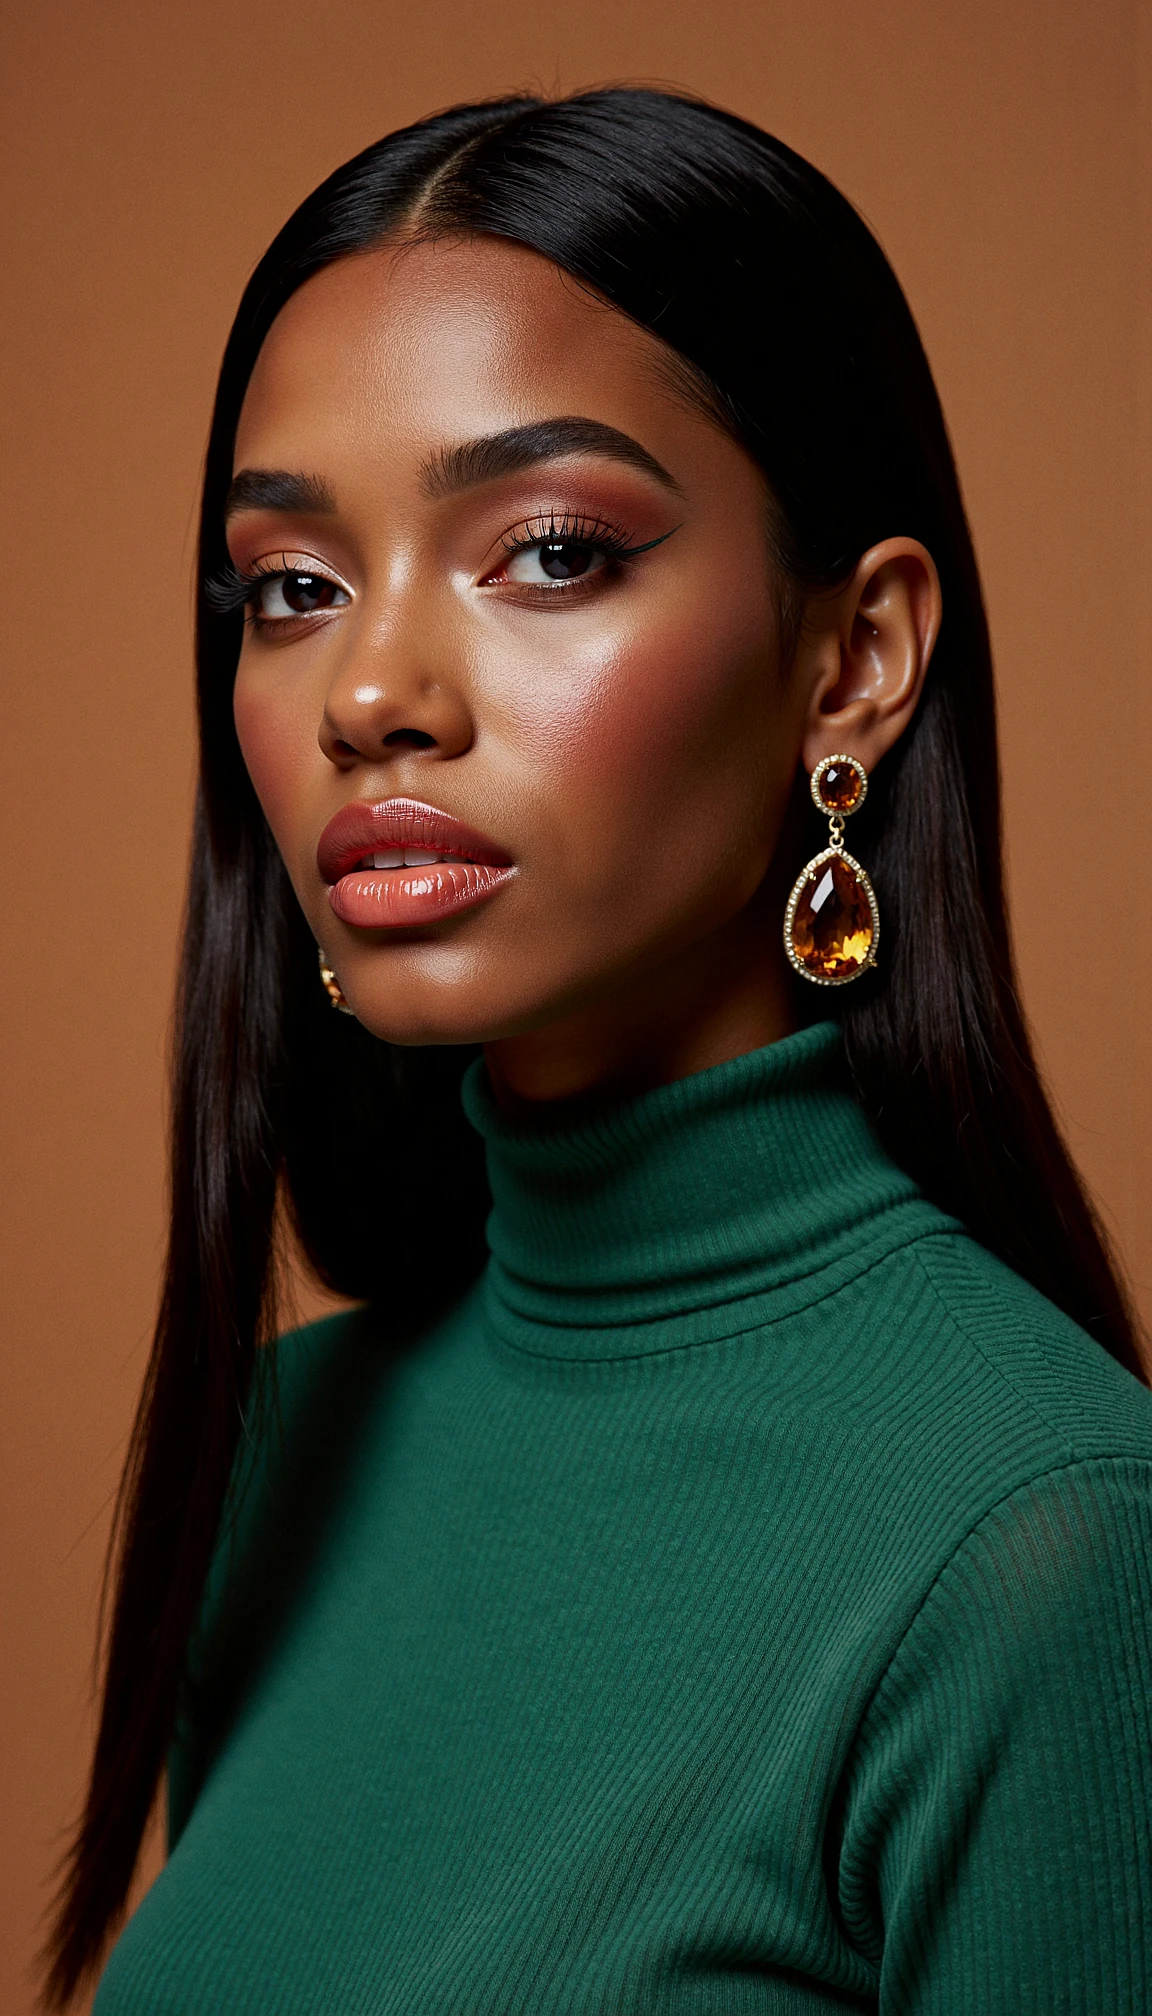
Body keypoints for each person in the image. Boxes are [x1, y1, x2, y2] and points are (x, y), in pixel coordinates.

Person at [46, 88, 1152, 2013]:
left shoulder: (1046, 1556)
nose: (372, 694)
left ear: (855, 660)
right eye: (290, 588)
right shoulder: (294, 1451)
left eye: (548, 551)